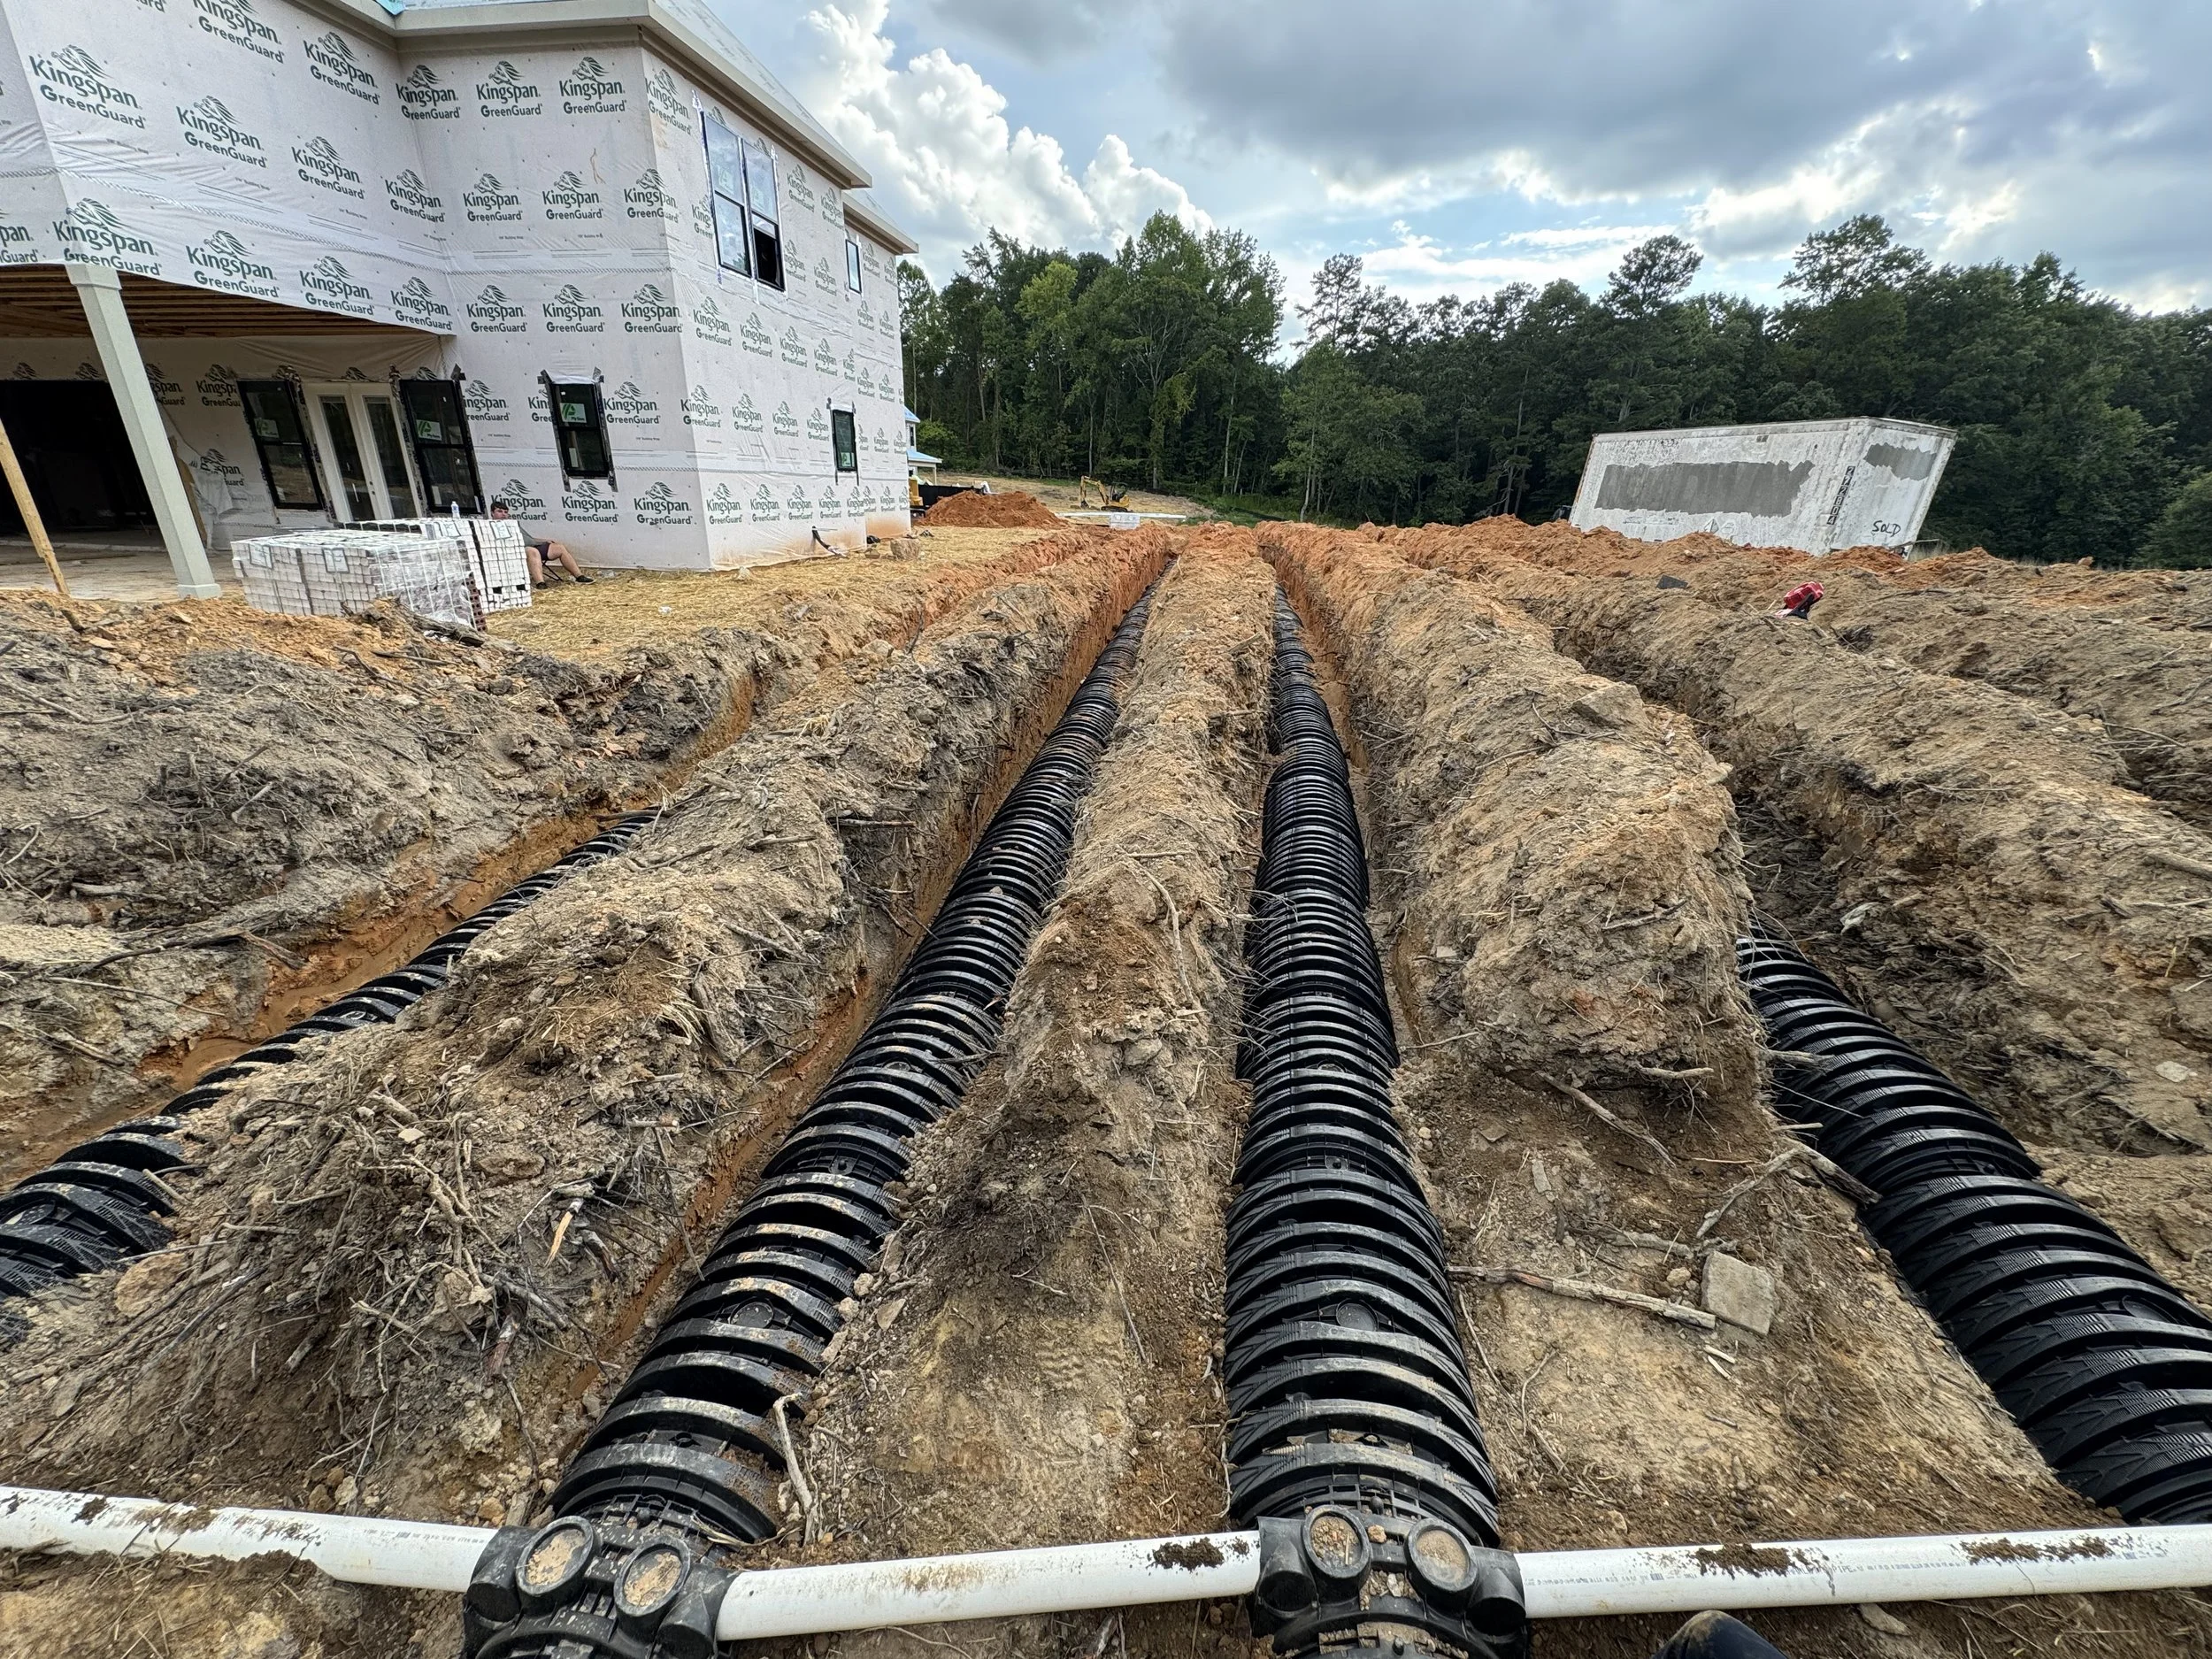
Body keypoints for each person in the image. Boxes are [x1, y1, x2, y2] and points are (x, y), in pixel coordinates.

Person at [488, 501, 593, 586]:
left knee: (559, 548)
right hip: (516, 551)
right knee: (532, 551)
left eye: (506, 512)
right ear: (492, 513)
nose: (503, 514)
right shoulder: (488, 527)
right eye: (500, 511)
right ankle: (540, 583)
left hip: (531, 546)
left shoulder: (513, 524)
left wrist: (542, 541)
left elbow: (528, 538)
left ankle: (579, 576)